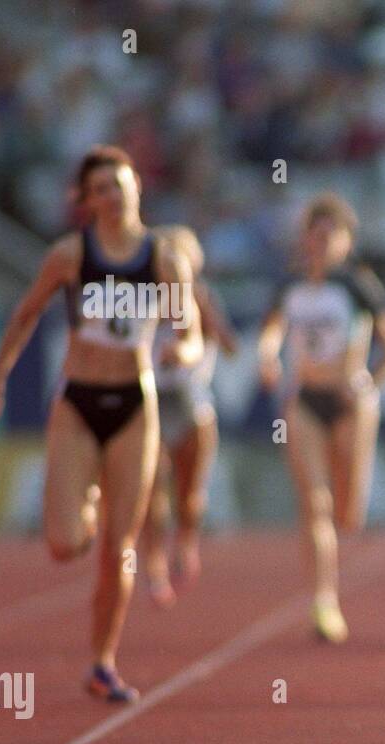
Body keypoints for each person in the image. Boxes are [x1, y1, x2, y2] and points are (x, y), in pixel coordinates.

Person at [0, 144, 202, 702]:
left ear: (137, 188)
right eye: (100, 189)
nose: (112, 196)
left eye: (120, 184)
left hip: (134, 404)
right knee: (63, 543)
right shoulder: (72, 255)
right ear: (88, 201)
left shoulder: (161, 258)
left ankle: (102, 662)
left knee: (118, 550)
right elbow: (26, 316)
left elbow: (189, 329)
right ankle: (90, 500)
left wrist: (182, 354)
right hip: (78, 402)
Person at [258, 193, 385, 643]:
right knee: (314, 504)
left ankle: (329, 587)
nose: (321, 243)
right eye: (315, 234)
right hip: (305, 398)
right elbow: (270, 332)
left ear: (346, 241)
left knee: (348, 513)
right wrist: (267, 359)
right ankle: (324, 602)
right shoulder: (290, 285)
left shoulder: (357, 285)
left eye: (331, 235)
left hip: (351, 403)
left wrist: (369, 386)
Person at [140, 224, 239, 608]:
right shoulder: (144, 300)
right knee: (152, 489)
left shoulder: (202, 298)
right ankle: (153, 567)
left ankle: (185, 540)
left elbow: (230, 347)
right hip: (151, 398)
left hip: (192, 400)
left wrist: (203, 314)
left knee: (190, 492)